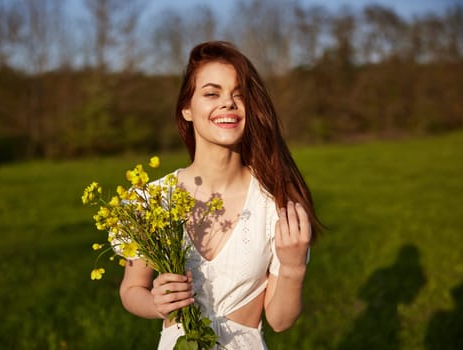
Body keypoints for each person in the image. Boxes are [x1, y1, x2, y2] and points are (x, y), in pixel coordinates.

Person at [119, 41, 321, 349]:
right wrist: (155, 304)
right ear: (186, 109)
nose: (228, 103)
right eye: (212, 93)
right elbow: (132, 289)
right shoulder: (152, 199)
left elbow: (280, 320)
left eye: (239, 95)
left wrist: (293, 267)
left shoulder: (275, 202)